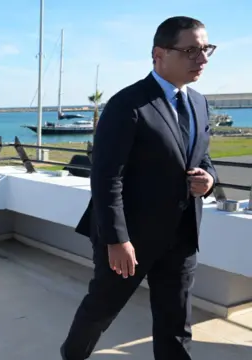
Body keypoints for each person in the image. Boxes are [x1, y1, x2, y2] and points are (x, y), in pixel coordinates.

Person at [60, 16, 218, 360]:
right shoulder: (127, 104)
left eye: (206, 49)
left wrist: (209, 180)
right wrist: (117, 240)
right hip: (130, 241)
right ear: (158, 54)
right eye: (191, 50)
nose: (202, 59)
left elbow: (201, 158)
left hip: (182, 237)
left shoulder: (200, 103)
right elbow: (105, 178)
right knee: (100, 311)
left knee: (176, 323)